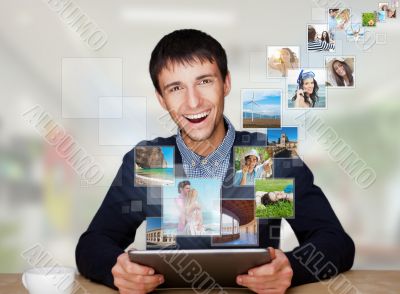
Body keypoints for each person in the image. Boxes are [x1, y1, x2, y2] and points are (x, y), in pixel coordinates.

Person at [76, 29, 355, 294]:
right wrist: (116, 269)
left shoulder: (271, 155)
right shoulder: (152, 160)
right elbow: (92, 244)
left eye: (205, 81)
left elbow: (335, 241)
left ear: (226, 83)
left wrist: (292, 268)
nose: (193, 102)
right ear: (161, 99)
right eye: (175, 88)